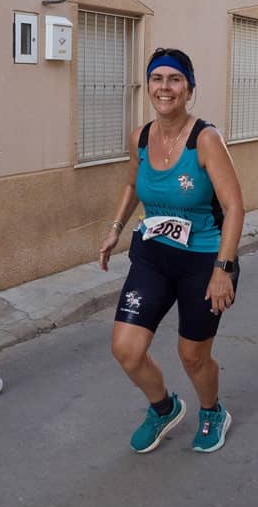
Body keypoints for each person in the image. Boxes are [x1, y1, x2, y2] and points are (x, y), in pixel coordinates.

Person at [100, 48, 245, 454]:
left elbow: (235, 206)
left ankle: (212, 410)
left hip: (204, 259)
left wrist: (223, 269)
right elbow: (133, 184)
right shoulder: (141, 138)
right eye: (157, 78)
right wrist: (115, 229)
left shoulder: (206, 140)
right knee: (126, 349)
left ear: (189, 89)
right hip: (153, 254)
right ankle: (163, 408)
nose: (165, 87)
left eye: (175, 79)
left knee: (192, 355)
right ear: (148, 86)